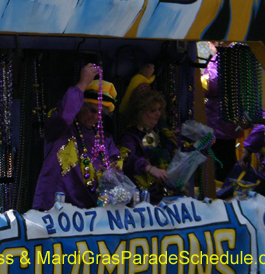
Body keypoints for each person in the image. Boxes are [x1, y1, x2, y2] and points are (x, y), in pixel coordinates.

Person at [32, 64, 121, 210]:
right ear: (80, 105)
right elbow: (65, 115)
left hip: (91, 213)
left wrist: (111, 175)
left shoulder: (106, 140)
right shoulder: (60, 128)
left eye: (101, 113)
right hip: (56, 210)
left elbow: (117, 170)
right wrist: (82, 84)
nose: (96, 117)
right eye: (93, 110)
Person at [118, 71, 183, 204]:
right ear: (140, 112)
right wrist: (149, 168)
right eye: (153, 110)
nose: (158, 114)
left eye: (160, 109)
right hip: (142, 200)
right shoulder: (130, 135)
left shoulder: (162, 132)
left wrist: (201, 144)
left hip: (167, 196)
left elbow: (180, 149)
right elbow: (124, 158)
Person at [202, 43, 238, 181]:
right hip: (226, 118)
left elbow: (213, 84)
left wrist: (197, 81)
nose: (208, 45)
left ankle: (221, 191)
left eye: (210, 42)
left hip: (218, 118)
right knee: (226, 156)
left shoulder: (222, 57)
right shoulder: (233, 55)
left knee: (221, 159)